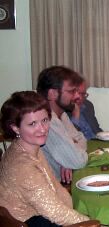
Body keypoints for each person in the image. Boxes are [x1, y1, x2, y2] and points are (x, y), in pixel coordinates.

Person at [0, 91, 90, 226]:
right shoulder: (23, 167)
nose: (42, 129)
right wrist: (93, 223)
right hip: (30, 221)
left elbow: (55, 187)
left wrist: (76, 210)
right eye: (32, 124)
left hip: (40, 214)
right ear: (16, 128)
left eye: (45, 120)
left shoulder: (30, 147)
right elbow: (56, 213)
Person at [36, 66, 88, 184]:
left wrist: (70, 155)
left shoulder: (61, 114)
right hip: (51, 188)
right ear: (52, 94)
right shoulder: (47, 120)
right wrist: (70, 156)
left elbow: (83, 140)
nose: (77, 96)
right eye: (71, 91)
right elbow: (78, 161)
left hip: (62, 182)